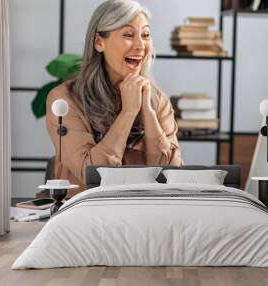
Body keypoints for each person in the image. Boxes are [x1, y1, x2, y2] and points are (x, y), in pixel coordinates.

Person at [46, 0, 183, 196]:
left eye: (145, 35)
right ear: (99, 42)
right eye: (128, 35)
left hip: (146, 211)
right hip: (85, 213)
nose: (140, 45)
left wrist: (148, 112)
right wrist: (128, 112)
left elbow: (171, 177)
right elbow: (91, 175)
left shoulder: (158, 100)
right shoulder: (64, 99)